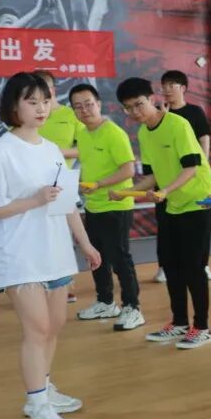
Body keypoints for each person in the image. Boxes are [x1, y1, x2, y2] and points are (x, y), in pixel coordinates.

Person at [0, 72, 101, 419]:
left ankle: (44, 390)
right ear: (14, 106)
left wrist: (85, 244)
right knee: (37, 328)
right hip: (20, 255)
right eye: (31, 102)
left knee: (54, 325)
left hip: (55, 252)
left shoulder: (50, 150)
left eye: (45, 101)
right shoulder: (0, 152)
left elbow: (67, 204)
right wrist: (34, 200)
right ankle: (38, 408)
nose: (41, 108)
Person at [116, 78, 211, 350]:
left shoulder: (178, 125)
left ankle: (202, 327)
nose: (135, 112)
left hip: (196, 201)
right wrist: (126, 192)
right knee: (171, 265)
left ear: (152, 99)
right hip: (171, 202)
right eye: (129, 108)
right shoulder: (145, 133)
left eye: (139, 104)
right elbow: (151, 177)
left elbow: (191, 168)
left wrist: (165, 190)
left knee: (193, 268)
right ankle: (179, 322)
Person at [68, 83, 144, 331]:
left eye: (88, 104)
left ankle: (133, 308)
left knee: (120, 258)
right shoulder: (83, 134)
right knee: (95, 256)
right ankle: (105, 302)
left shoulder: (113, 133)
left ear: (99, 104)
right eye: (78, 107)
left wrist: (99, 184)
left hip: (116, 205)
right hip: (94, 205)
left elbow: (128, 170)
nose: (84, 110)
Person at [158, 70, 211, 283]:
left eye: (172, 85)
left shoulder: (194, 112)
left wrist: (202, 165)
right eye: (164, 86)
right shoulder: (159, 113)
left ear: (183, 88)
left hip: (193, 177)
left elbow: (204, 138)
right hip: (167, 180)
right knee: (165, 226)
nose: (167, 90)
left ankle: (203, 265)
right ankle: (164, 266)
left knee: (200, 228)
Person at [35, 70, 85, 303]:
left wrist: (56, 152)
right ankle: (38, 284)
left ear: (53, 89)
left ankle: (63, 284)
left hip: (63, 180)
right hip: (33, 184)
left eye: (45, 87)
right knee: (38, 236)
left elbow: (85, 147)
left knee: (63, 237)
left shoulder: (70, 115)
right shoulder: (28, 115)